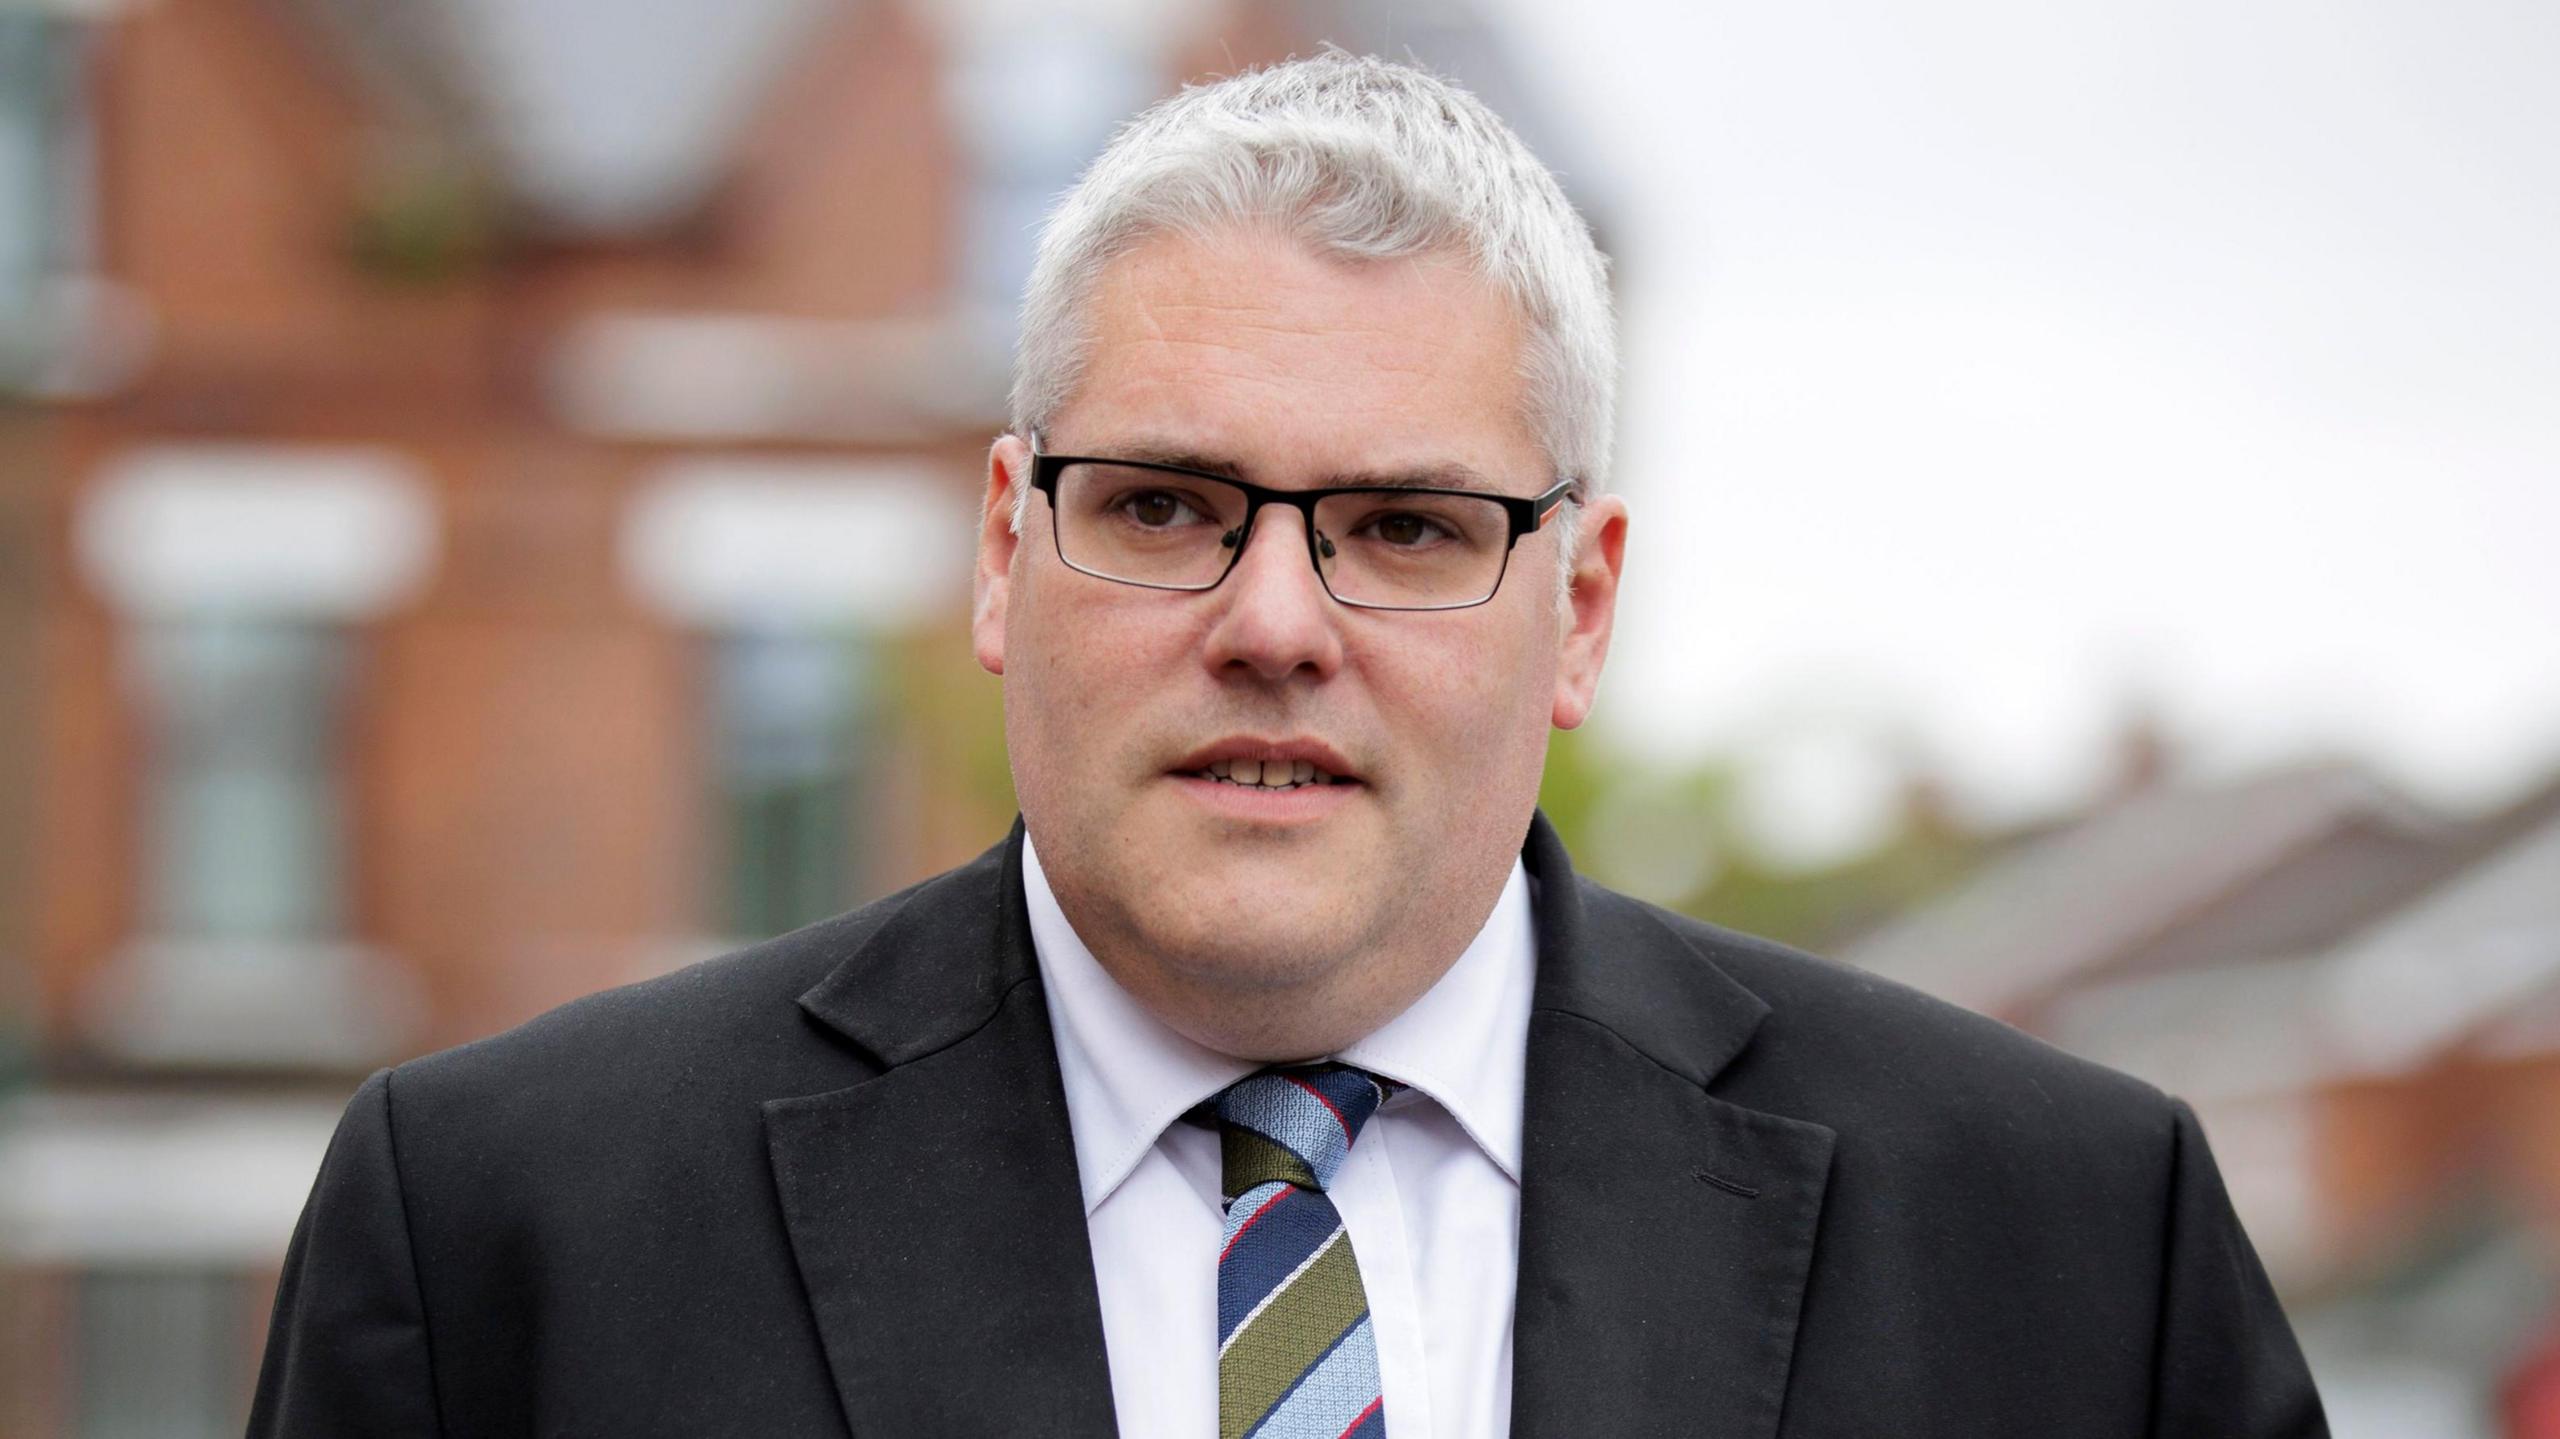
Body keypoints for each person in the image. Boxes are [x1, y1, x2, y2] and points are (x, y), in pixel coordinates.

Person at [249, 53, 2328, 1438]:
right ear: (1002, 556)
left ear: (1577, 609)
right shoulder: (510, 1234)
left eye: (1406, 529)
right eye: (1161, 508)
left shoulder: (2059, 1244)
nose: (1270, 627)